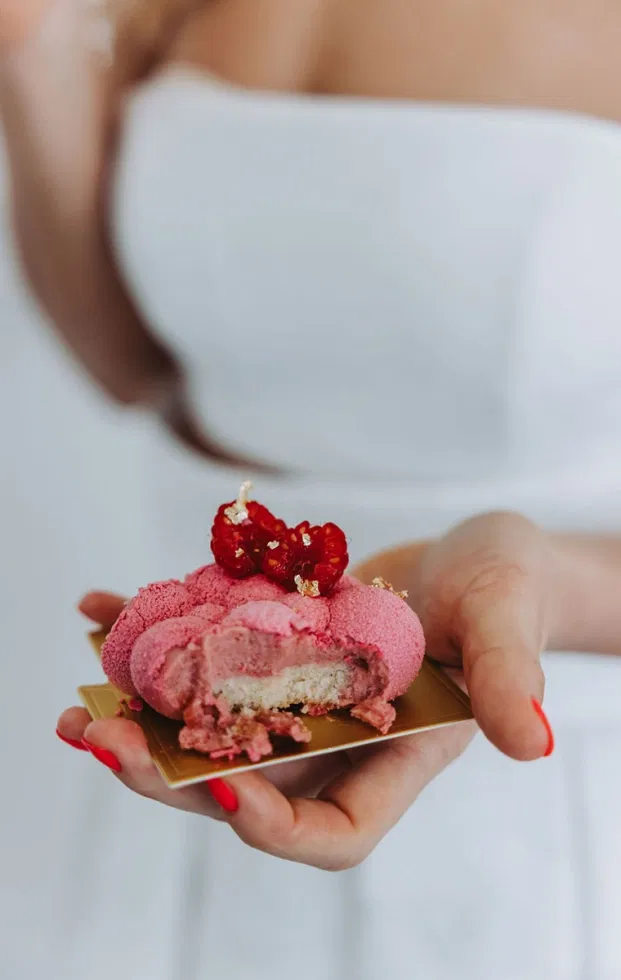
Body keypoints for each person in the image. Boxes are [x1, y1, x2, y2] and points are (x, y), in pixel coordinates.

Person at [3, 1, 621, 977]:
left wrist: (543, 579)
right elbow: (133, 362)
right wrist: (31, 50)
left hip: (549, 817)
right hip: (199, 801)